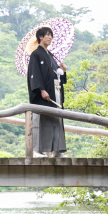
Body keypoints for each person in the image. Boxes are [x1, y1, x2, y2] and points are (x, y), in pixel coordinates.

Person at [26, 26, 67, 156]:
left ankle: (57, 151)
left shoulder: (51, 56)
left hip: (55, 94)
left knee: (56, 120)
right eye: (47, 35)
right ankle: (38, 150)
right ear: (40, 37)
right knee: (41, 120)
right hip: (43, 96)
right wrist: (42, 90)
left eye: (51, 35)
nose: (50, 37)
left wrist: (63, 72)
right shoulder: (36, 54)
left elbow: (57, 77)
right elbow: (35, 74)